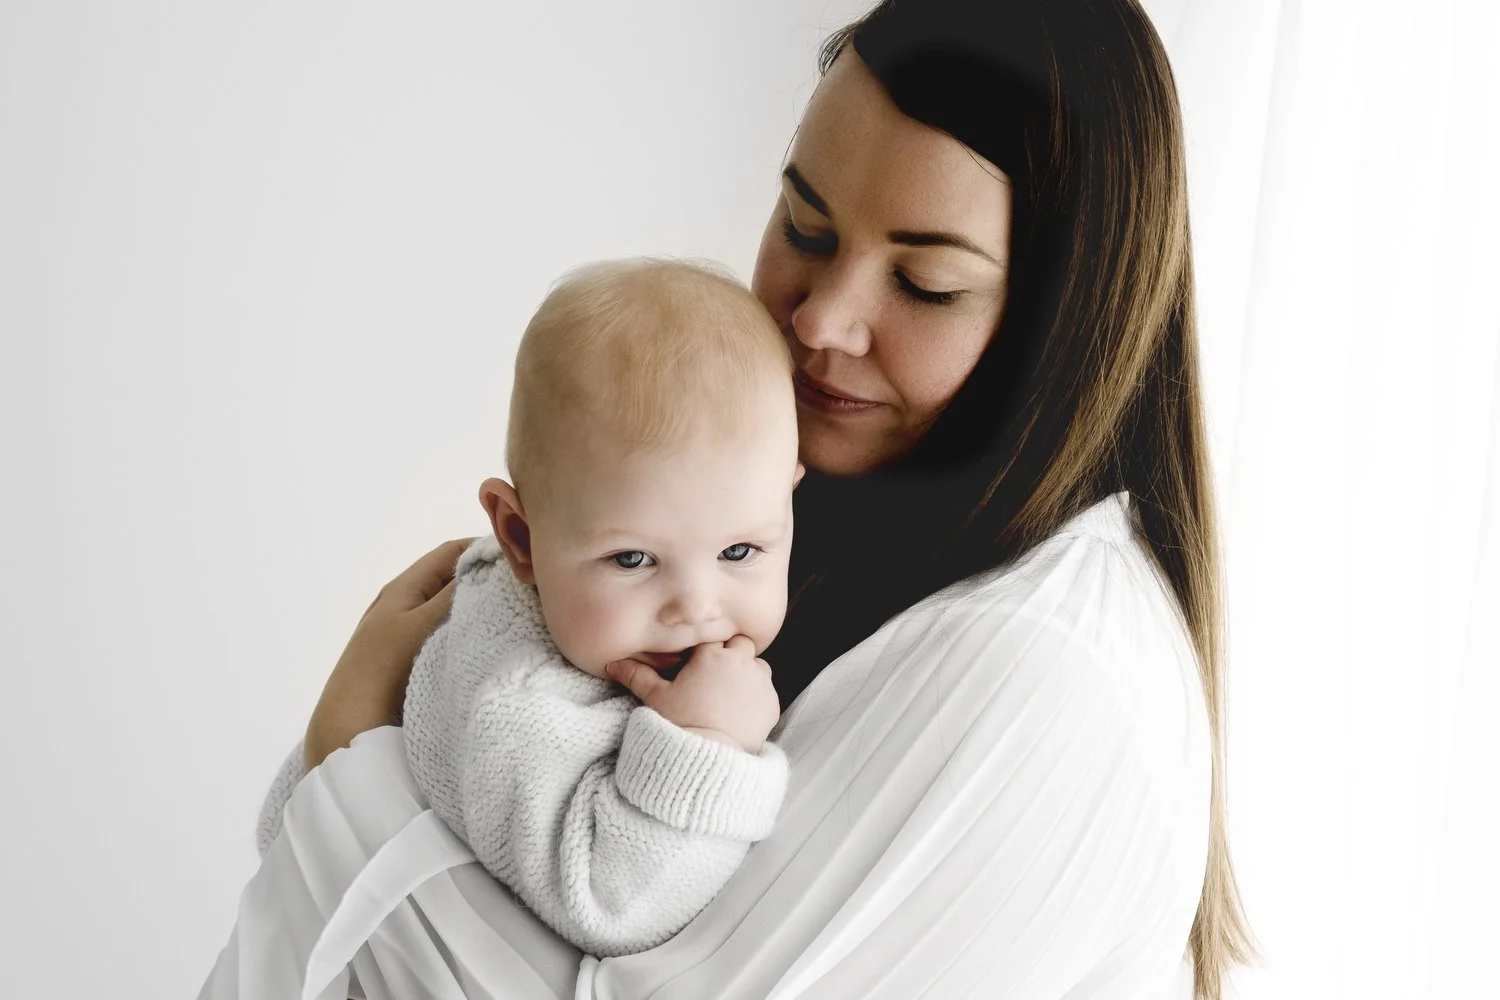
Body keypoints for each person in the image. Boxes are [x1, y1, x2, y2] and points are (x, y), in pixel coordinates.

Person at [206, 1, 1254, 997]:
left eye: (926, 283)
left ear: (1062, 325)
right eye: (805, 226)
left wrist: (349, 756)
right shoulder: (819, 541)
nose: (822, 321)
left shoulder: (1042, 668)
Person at [251, 259, 804, 958]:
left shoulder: (584, 620)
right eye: (632, 560)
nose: (697, 607)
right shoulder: (519, 702)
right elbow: (610, 907)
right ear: (520, 537)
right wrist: (709, 743)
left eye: (740, 551)